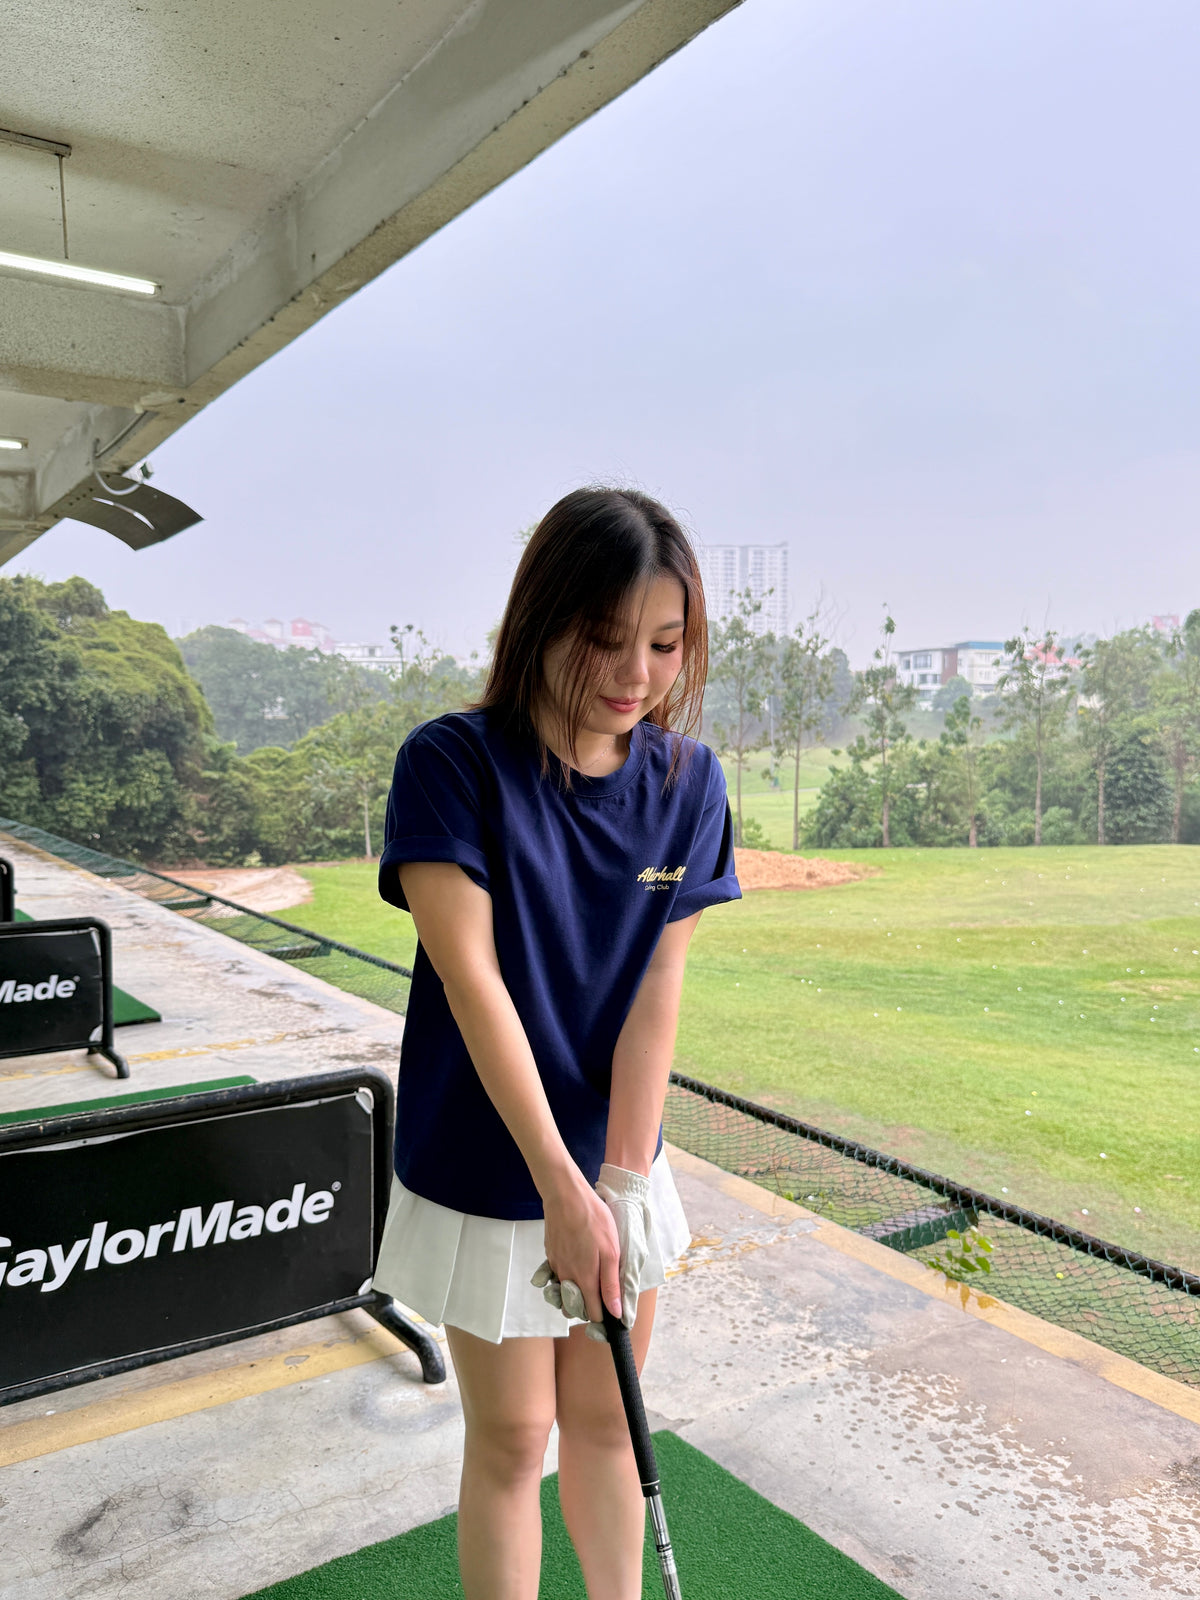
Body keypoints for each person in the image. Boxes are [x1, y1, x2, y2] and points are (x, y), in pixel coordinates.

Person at [371, 486, 740, 1600]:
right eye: (605, 637)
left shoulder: (687, 784)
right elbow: (473, 979)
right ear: (542, 620)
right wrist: (560, 1189)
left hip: (616, 1151)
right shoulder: (450, 764)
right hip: (490, 1159)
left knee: (607, 1418)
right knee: (514, 1432)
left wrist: (620, 1182)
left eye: (665, 644)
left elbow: (651, 993)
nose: (637, 672)